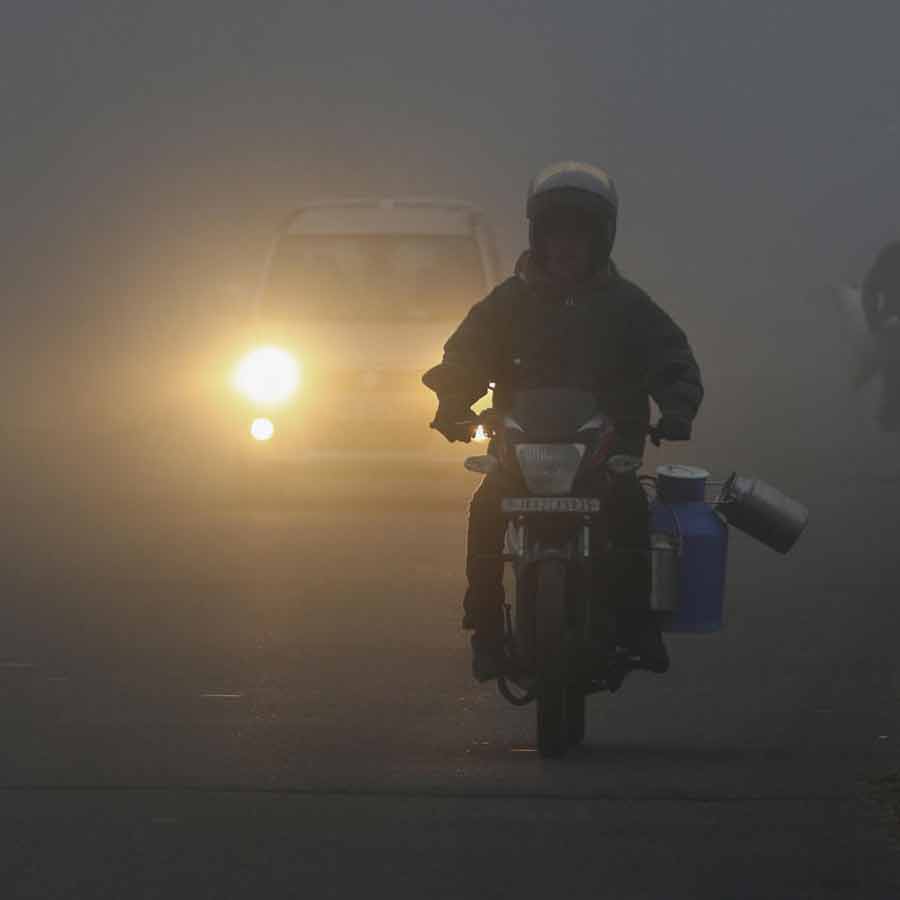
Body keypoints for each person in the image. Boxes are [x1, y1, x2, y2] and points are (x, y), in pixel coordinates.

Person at [422, 162, 704, 681]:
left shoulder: (629, 306)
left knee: (630, 509)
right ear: (539, 236)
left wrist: (677, 408)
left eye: (579, 234)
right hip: (519, 451)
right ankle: (485, 627)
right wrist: (452, 403)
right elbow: (464, 356)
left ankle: (637, 623)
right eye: (556, 234)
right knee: (485, 509)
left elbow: (672, 360)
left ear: (600, 239)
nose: (566, 246)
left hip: (606, 451)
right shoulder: (506, 303)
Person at [861, 241, 900, 431]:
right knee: (892, 377)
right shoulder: (893, 253)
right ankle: (889, 419)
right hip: (893, 328)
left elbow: (869, 288)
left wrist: (875, 321)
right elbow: (869, 288)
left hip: (891, 326)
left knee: (892, 377)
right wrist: (875, 322)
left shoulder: (891, 252)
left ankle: (889, 419)